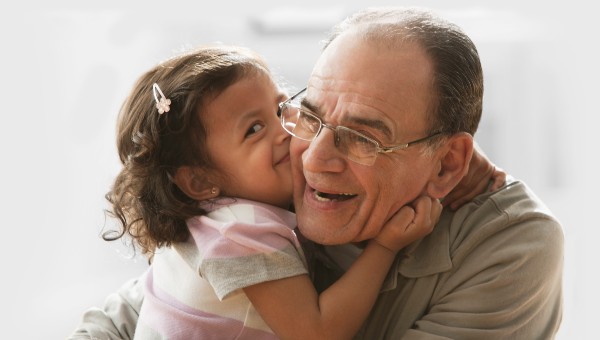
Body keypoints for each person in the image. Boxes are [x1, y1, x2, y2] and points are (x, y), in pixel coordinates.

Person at [70, 6, 562, 339]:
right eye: (312, 115)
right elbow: (116, 323)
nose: (312, 157)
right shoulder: (253, 203)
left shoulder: (510, 246)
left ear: (449, 162)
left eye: (364, 137)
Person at [88, 44, 444, 340]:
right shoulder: (239, 231)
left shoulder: (207, 220)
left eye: (281, 108)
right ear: (198, 182)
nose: (284, 131)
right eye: (254, 129)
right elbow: (318, 332)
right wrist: (385, 247)